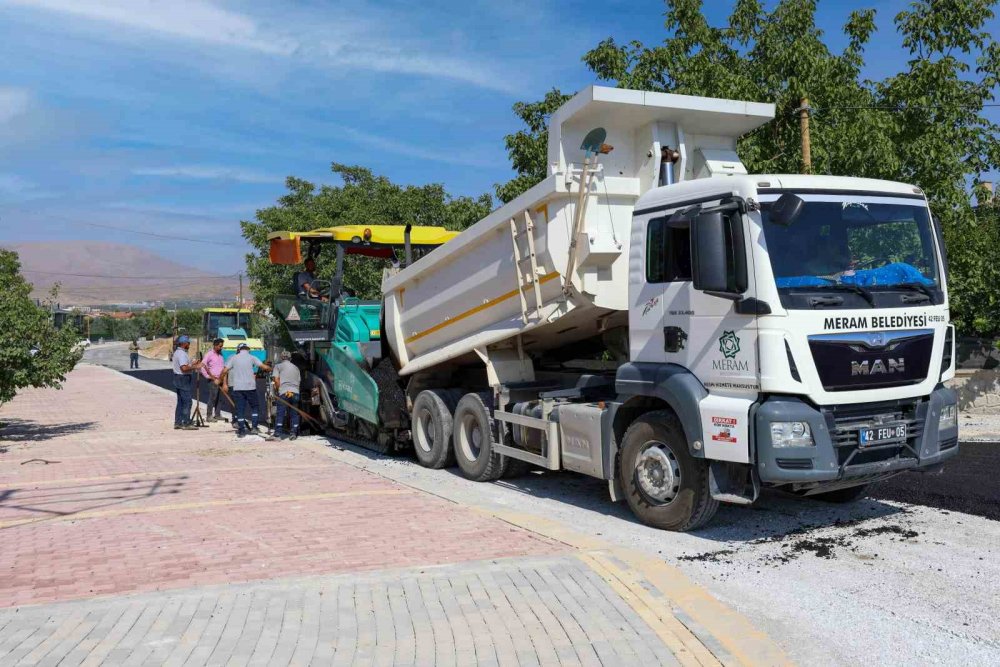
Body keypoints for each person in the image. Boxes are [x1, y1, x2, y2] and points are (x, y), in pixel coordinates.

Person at [222, 343, 271, 437]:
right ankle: (254, 428)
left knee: (240, 409)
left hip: (238, 388)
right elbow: (264, 367)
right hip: (250, 388)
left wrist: (219, 380)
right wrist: (270, 368)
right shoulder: (252, 357)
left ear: (239, 349)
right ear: (247, 349)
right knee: (254, 407)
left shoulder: (233, 358)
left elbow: (224, 370)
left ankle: (241, 430)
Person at [172, 335, 202, 430]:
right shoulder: (181, 354)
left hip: (178, 378)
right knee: (187, 402)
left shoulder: (179, 352)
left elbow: (185, 365)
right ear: (184, 344)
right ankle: (186, 422)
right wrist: (196, 367)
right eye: (188, 343)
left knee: (180, 402)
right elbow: (184, 368)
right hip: (183, 378)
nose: (189, 344)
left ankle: (178, 422)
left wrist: (192, 364)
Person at [272, 350, 302, 439]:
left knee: (280, 413)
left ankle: (278, 433)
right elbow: (299, 381)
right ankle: (294, 433)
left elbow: (276, 380)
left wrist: (278, 390)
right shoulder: (296, 368)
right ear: (290, 358)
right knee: (294, 413)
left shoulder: (278, 366)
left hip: (284, 392)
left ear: (281, 358)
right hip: (295, 392)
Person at [200, 338, 226, 422]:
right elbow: (203, 366)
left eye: (222, 346)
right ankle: (209, 416)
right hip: (213, 380)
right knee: (213, 397)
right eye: (220, 346)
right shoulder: (209, 354)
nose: (221, 348)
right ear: (215, 345)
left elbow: (222, 367)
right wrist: (208, 376)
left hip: (220, 379)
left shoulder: (221, 355)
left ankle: (217, 414)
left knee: (220, 398)